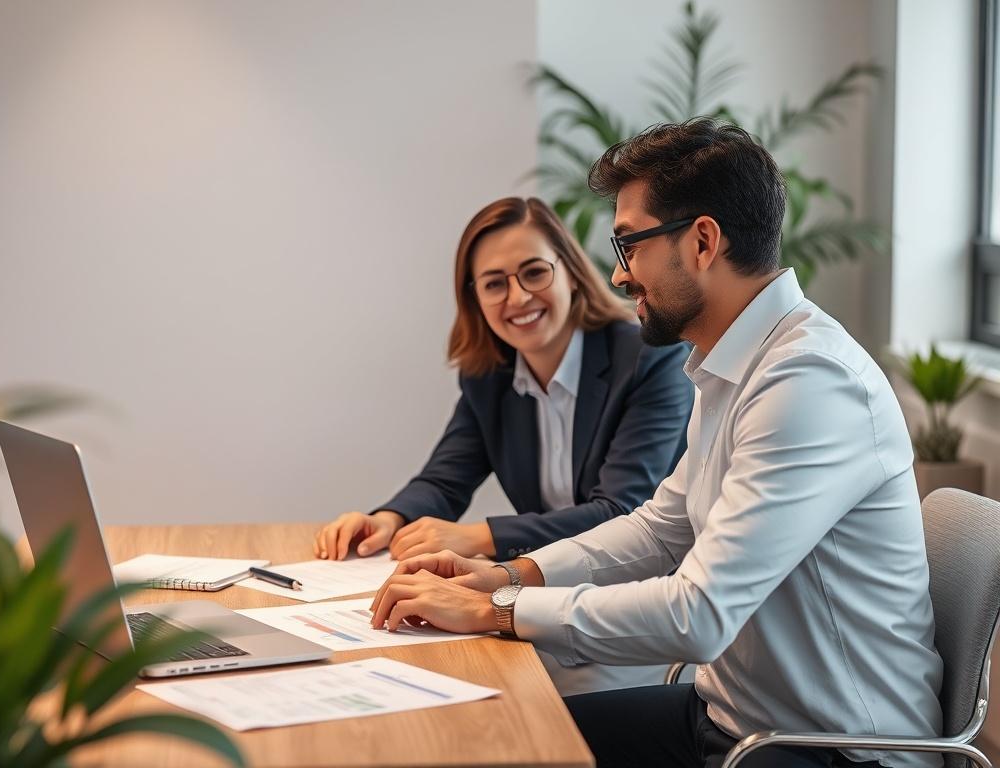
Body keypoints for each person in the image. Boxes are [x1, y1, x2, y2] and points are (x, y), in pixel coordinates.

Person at [369, 120, 944, 768]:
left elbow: (698, 613)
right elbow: (658, 530)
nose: (618, 275)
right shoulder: (731, 367)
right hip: (733, 716)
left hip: (834, 751)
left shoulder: (808, 384)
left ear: (702, 241)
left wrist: (500, 610)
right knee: (495, 742)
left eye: (629, 245)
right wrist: (506, 576)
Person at [315, 197, 693, 565]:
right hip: (544, 588)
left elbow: (621, 513)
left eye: (534, 272)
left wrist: (480, 537)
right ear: (475, 298)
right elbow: (445, 480)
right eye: (494, 284)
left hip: (645, 589)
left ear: (572, 275)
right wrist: (387, 520)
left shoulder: (650, 357)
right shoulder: (489, 377)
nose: (519, 296)